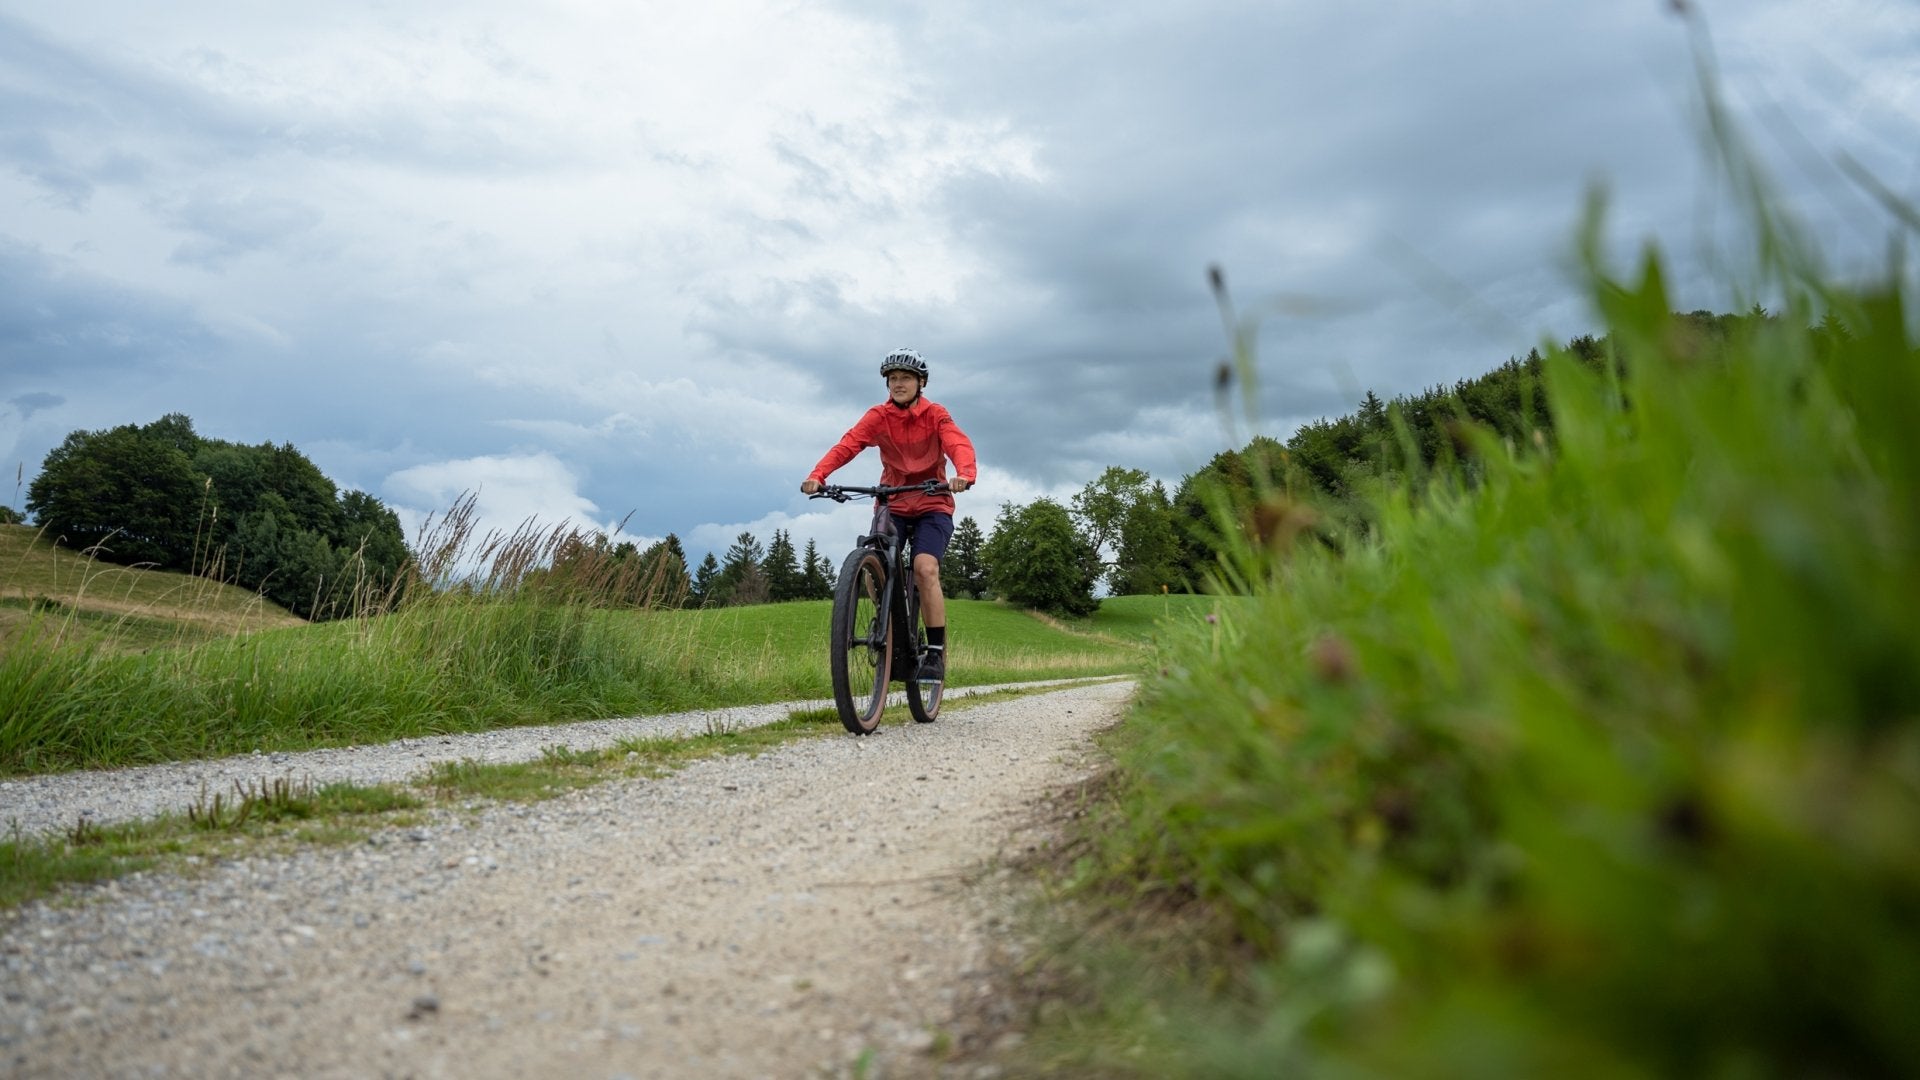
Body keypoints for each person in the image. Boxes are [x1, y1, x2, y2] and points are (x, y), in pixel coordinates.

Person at [802, 348, 977, 688]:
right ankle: (890, 617)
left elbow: (959, 444)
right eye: (892, 379)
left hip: (932, 503)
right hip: (892, 502)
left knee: (925, 567)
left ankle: (936, 653)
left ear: (920, 383)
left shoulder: (936, 415)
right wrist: (818, 474)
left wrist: (964, 474)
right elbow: (848, 444)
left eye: (905, 378)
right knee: (874, 560)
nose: (898, 384)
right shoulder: (878, 417)